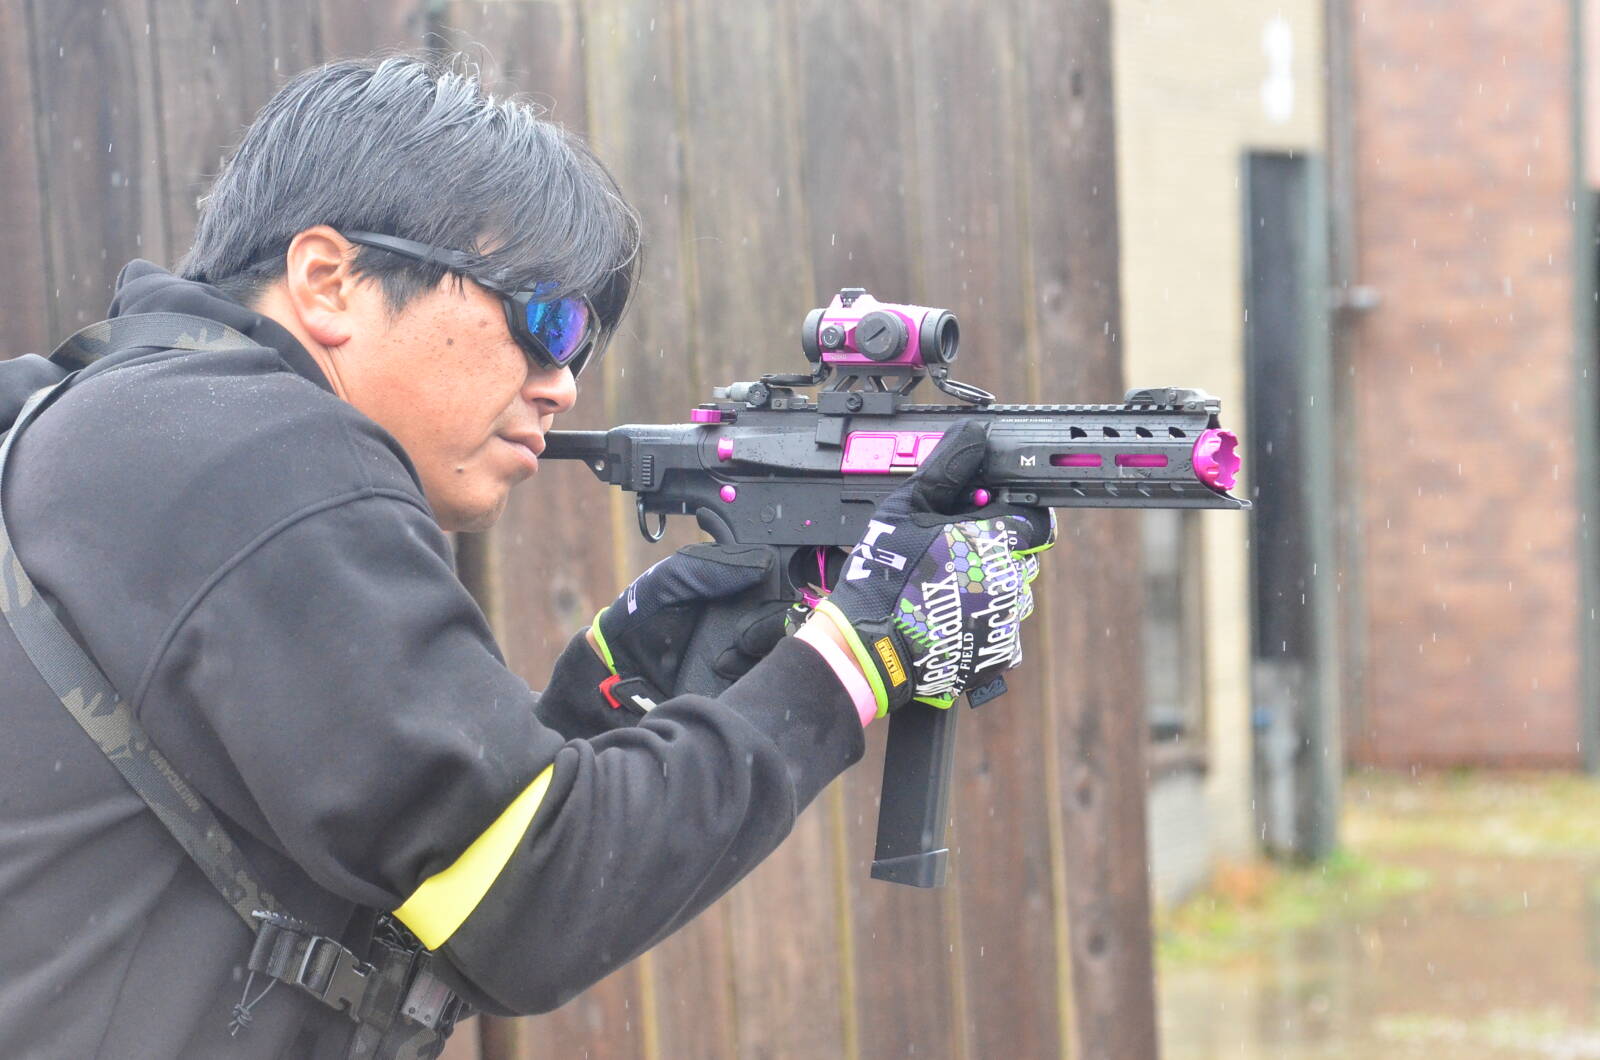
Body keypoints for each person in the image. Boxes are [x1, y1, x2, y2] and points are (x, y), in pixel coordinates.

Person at [0, 55, 1053, 1058]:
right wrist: (850, 662)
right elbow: (534, 909)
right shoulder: (257, 452)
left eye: (580, 344)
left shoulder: (122, 429)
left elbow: (429, 907)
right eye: (544, 320)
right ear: (328, 280)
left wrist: (607, 697)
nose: (563, 382)